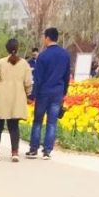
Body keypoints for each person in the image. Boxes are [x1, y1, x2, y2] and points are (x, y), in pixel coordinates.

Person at [0, 38, 33, 162]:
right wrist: (28, 94)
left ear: (6, 49)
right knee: (14, 126)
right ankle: (15, 153)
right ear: (17, 48)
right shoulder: (24, 64)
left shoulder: (0, 63)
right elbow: (28, 82)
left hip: (0, 98)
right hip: (16, 98)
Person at [26, 27, 70, 159]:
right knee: (52, 122)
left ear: (47, 38)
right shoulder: (65, 55)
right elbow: (67, 75)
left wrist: (32, 95)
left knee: (38, 121)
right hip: (57, 92)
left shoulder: (43, 56)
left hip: (43, 92)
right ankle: (47, 151)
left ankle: (34, 149)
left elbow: (38, 78)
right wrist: (64, 92)